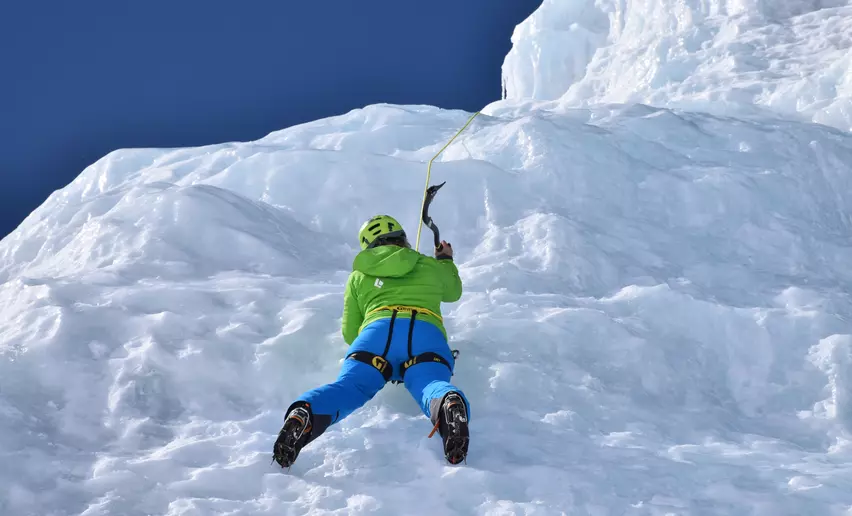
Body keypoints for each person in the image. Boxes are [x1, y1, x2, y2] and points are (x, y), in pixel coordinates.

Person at [272, 214, 471, 467]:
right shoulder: (428, 264)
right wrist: (444, 261)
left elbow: (350, 331)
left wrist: (377, 355)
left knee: (351, 387)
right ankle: (448, 403)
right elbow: (453, 292)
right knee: (430, 383)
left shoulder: (358, 276)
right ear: (403, 239)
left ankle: (305, 413)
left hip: (375, 335)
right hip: (424, 333)